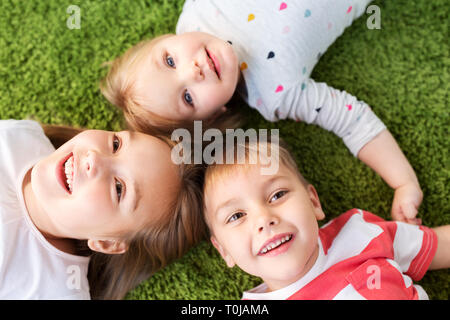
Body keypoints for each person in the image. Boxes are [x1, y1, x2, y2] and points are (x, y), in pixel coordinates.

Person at [100, 0, 423, 224]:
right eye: (187, 97)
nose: (193, 70)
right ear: (213, 115)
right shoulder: (274, 94)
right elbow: (352, 120)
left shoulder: (197, 11)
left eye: (170, 60)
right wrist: (403, 182)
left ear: (168, 38)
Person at [202, 139, 449, 299]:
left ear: (313, 202)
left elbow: (442, 245)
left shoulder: (360, 233)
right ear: (224, 251)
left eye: (277, 195)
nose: (264, 219)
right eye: (236, 216)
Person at [0, 119, 206, 299]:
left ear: (108, 243)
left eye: (118, 188)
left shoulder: (56, 293)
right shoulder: (20, 136)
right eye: (116, 144)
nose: (94, 158)